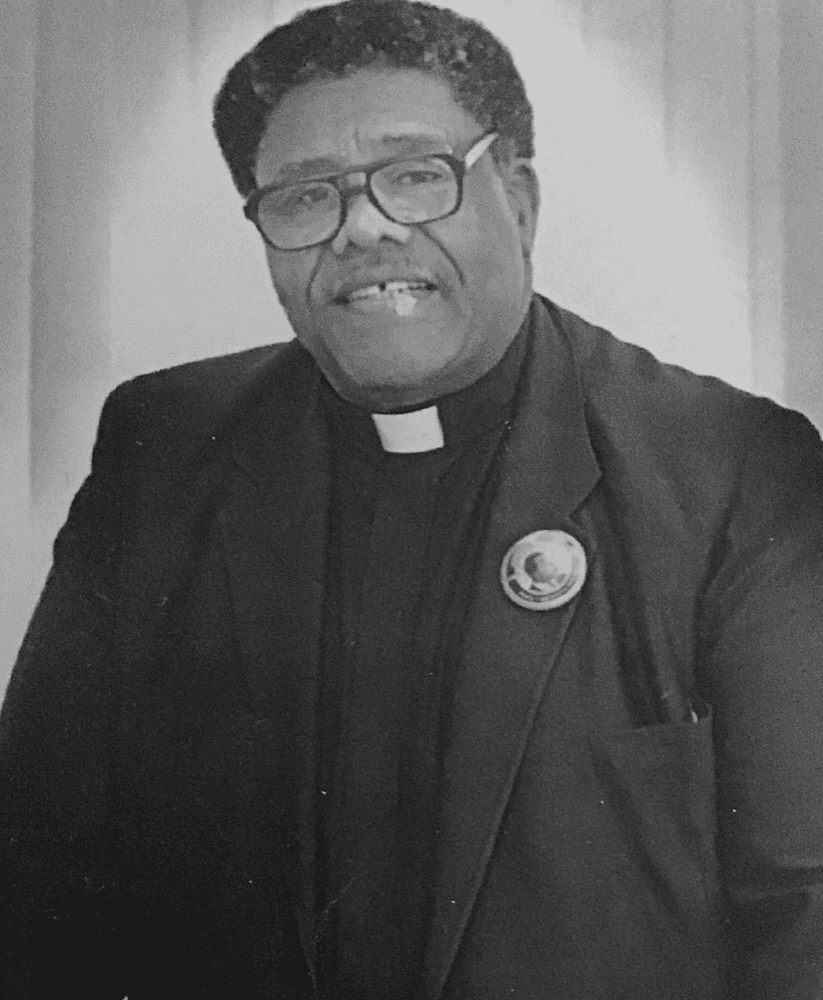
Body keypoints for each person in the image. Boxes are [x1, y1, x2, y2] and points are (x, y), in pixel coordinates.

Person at [2, 1, 823, 997]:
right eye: (305, 196)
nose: (364, 227)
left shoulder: (733, 469)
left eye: (415, 175)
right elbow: (38, 868)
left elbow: (805, 913)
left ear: (516, 201)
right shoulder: (163, 448)